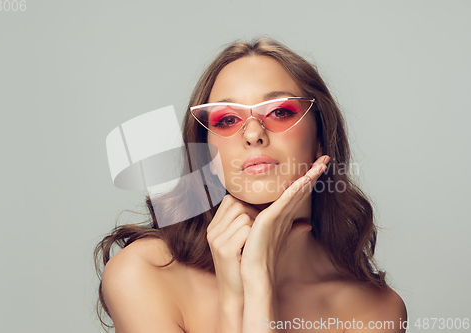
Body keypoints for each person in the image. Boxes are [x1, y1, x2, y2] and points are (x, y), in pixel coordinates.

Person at [94, 37, 407, 333]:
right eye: (227, 120)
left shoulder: (375, 310)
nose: (253, 133)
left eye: (280, 112)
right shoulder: (144, 273)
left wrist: (259, 278)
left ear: (320, 138)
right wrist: (237, 298)